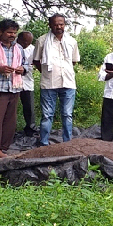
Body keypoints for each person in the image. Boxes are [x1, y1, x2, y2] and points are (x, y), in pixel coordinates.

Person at [0, 19, 29, 160]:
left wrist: (22, 69)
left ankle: (1, 149)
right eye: (9, 32)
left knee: (9, 123)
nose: (12, 35)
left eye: (14, 32)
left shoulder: (18, 48)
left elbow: (26, 64)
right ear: (0, 32)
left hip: (14, 89)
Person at [33, 14, 80, 146]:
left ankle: (67, 144)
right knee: (47, 115)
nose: (59, 27)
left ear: (65, 25)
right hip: (49, 83)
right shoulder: (42, 41)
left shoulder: (72, 41)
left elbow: (74, 61)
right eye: (56, 24)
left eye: (61, 24)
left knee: (67, 114)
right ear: (50, 25)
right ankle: (43, 144)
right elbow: (36, 61)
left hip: (68, 83)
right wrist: (47, 73)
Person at [17, 31, 38, 137]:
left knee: (29, 106)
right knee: (12, 107)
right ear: (19, 39)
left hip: (27, 81)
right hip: (13, 81)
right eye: (24, 41)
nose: (26, 44)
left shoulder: (32, 49)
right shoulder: (14, 47)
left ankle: (30, 128)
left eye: (29, 42)